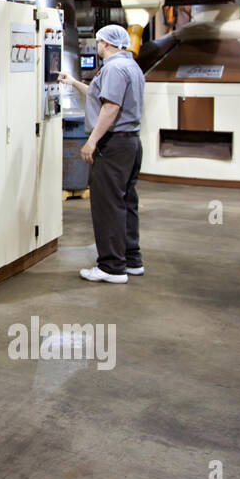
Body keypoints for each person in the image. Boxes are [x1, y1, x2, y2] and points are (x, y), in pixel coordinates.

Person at [59, 24, 146, 284]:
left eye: (98, 42)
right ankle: (131, 260)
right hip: (130, 143)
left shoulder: (114, 68)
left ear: (105, 43)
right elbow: (100, 96)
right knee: (126, 201)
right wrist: (73, 83)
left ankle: (111, 266)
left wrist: (92, 141)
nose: (96, 47)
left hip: (114, 144)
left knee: (107, 205)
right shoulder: (131, 66)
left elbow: (110, 107)